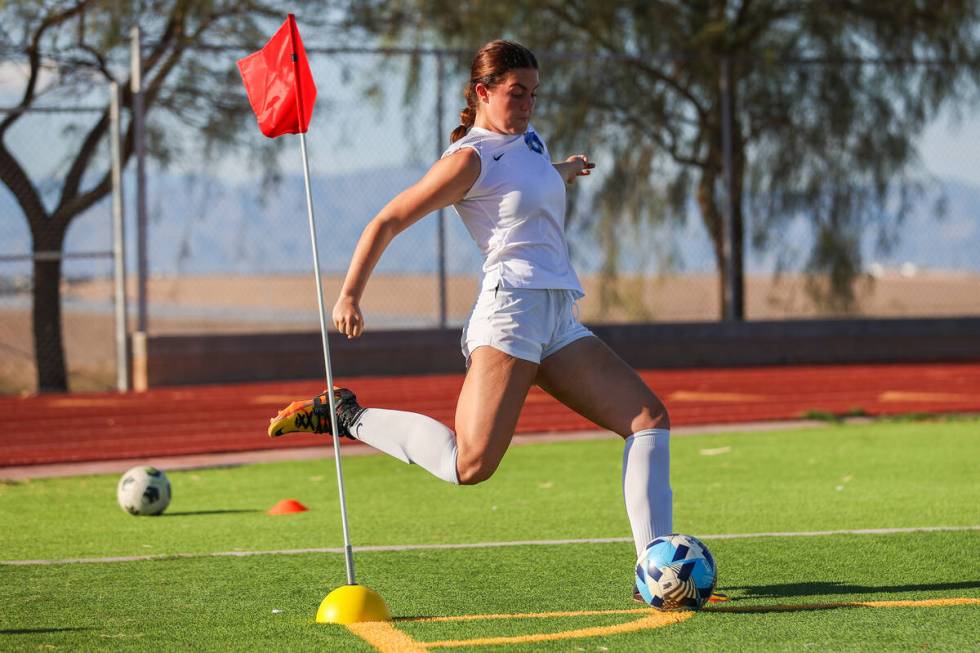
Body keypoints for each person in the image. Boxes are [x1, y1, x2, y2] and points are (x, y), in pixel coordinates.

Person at [268, 40, 673, 603]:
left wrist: (562, 170)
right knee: (470, 463)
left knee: (647, 419)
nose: (529, 103)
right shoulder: (468, 159)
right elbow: (387, 219)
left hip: (556, 311)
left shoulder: (528, 141)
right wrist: (350, 295)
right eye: (516, 92)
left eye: (534, 92)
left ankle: (656, 572)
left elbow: (524, 181)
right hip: (510, 314)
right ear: (482, 92)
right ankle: (346, 415)